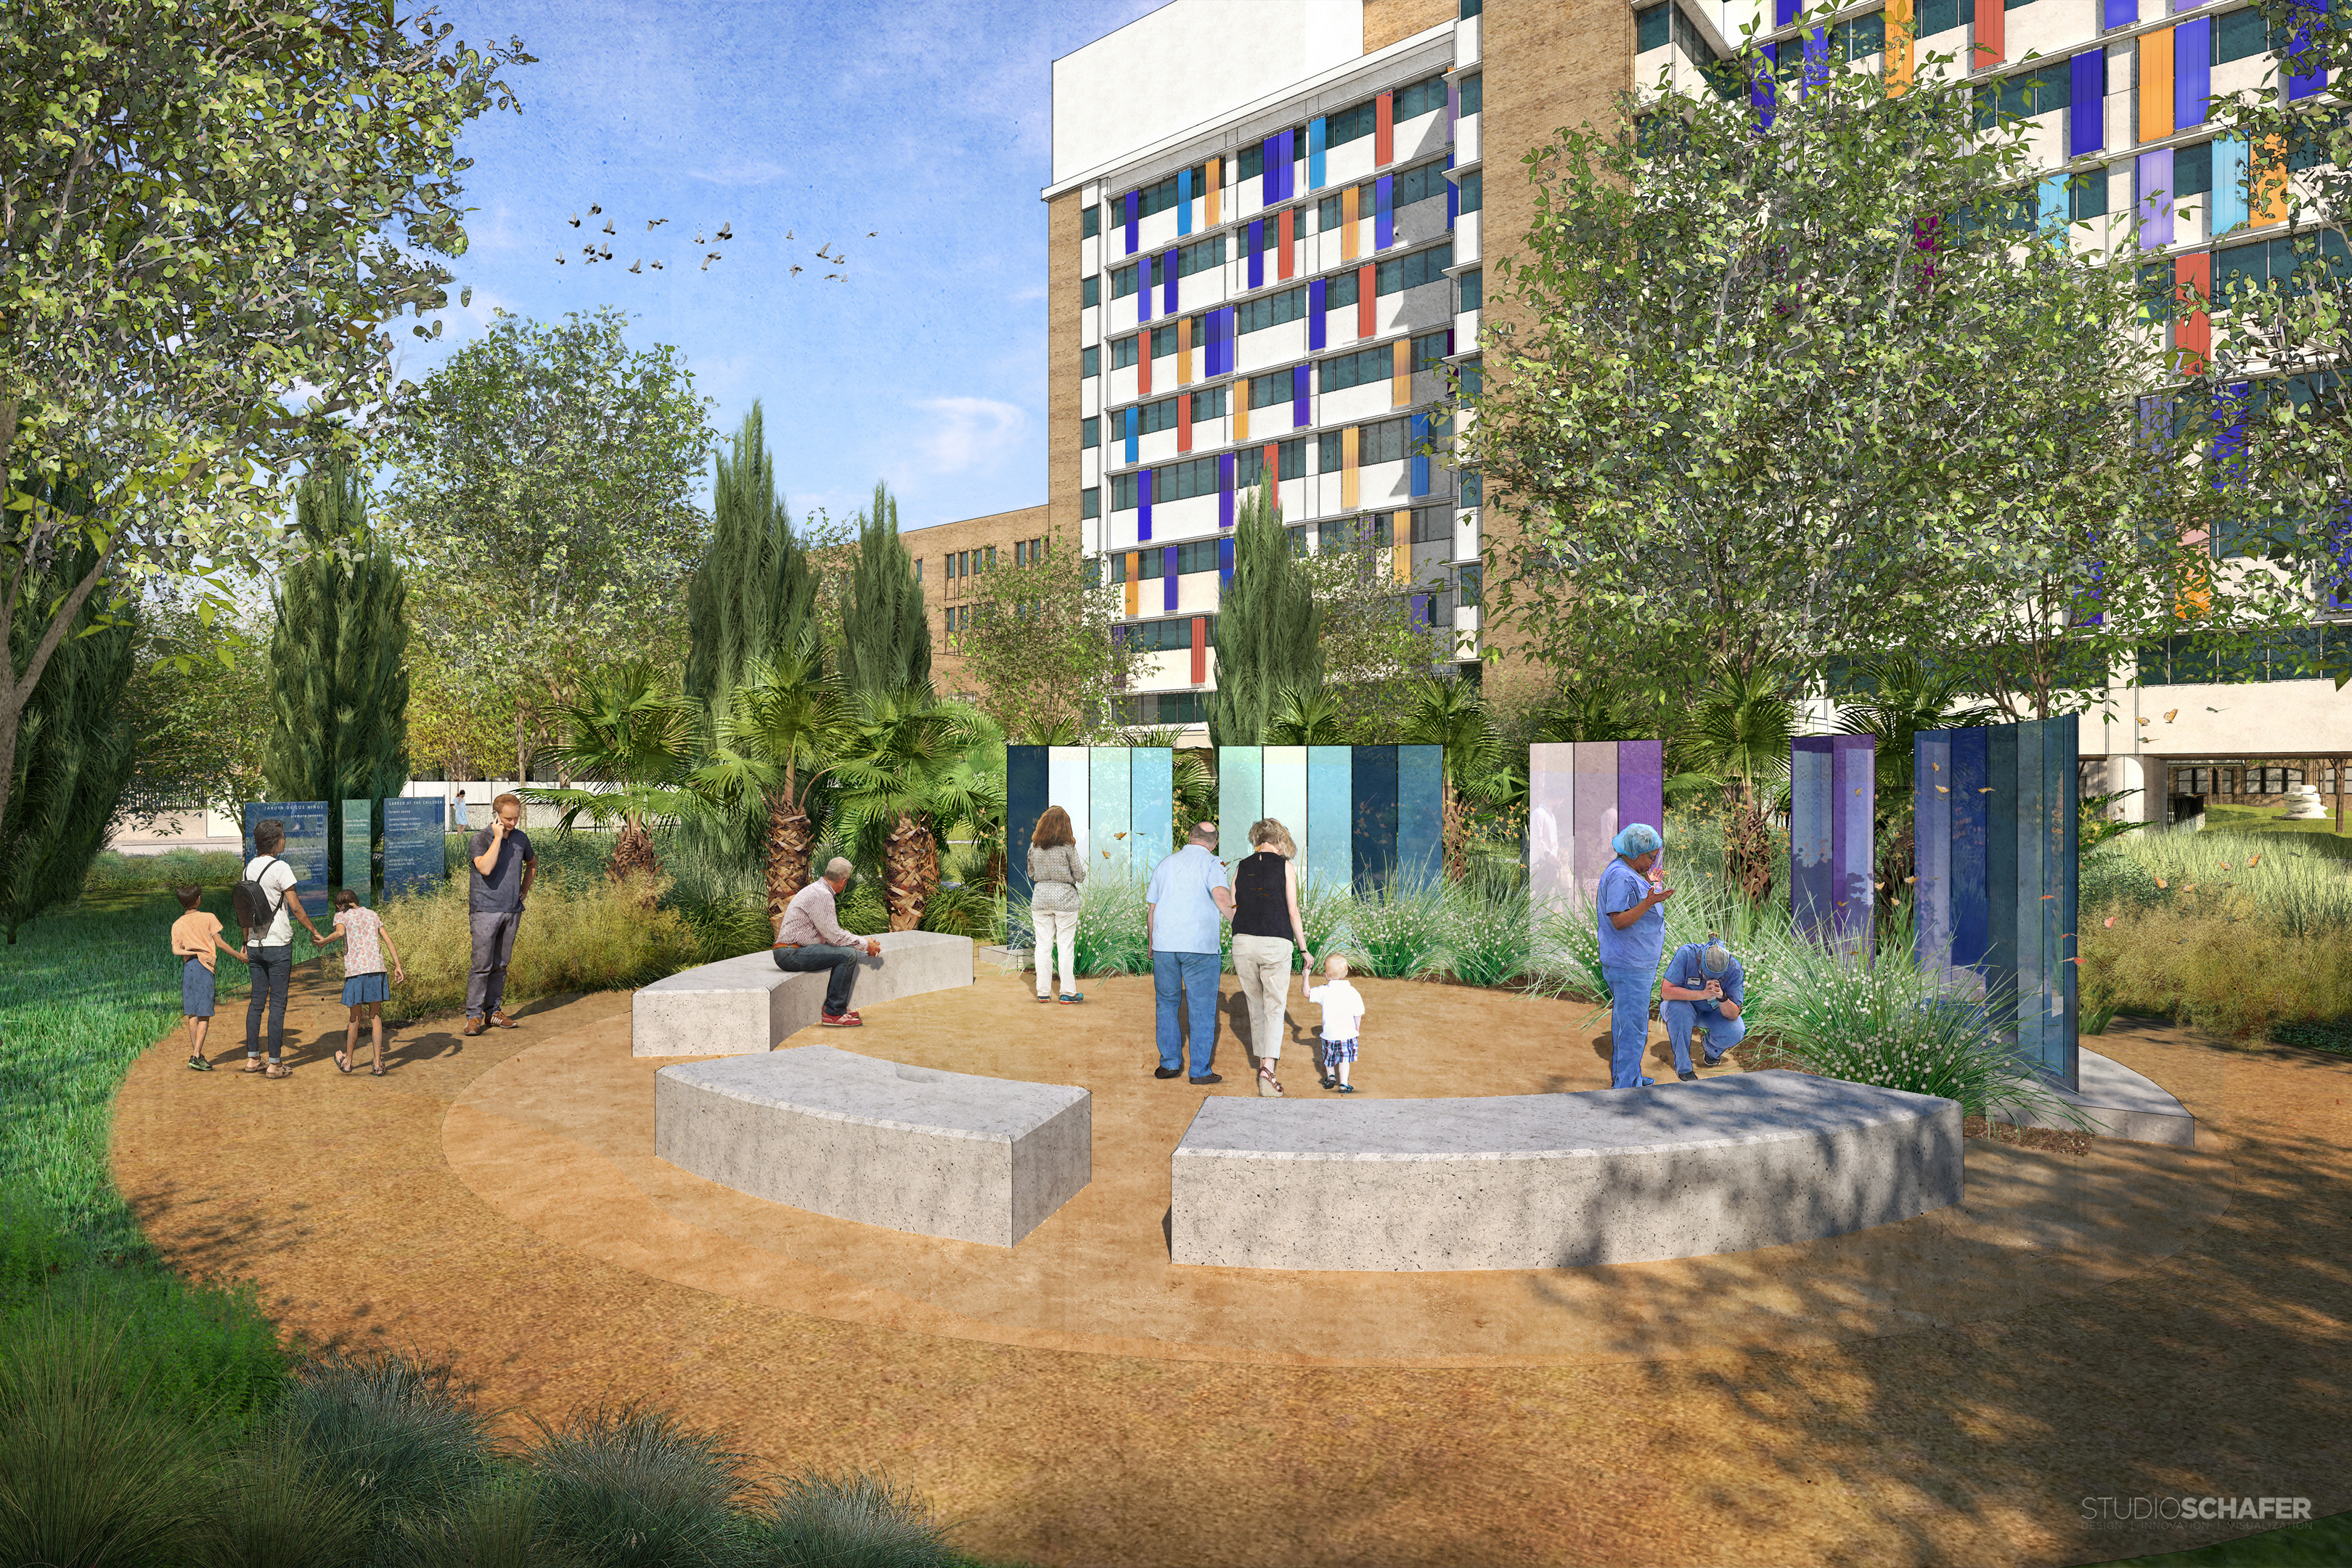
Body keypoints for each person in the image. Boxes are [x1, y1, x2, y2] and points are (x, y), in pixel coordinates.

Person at [1145, 821, 1235, 1085]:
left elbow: (1152, 909)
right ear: (1214, 842)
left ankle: (1170, 1064)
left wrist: (1151, 943)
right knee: (1202, 1007)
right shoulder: (1214, 863)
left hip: (1165, 946)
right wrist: (1238, 920)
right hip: (1201, 948)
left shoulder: (1166, 863)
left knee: (1167, 1003)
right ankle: (1200, 1071)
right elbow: (1220, 894)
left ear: (1190, 837)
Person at [1229, 817, 1310, 1097]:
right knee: (1274, 1006)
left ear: (1257, 840)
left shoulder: (1241, 867)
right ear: (1279, 840)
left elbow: (1234, 906)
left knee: (1256, 1004)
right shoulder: (1286, 867)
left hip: (1243, 942)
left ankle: (1262, 1061)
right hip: (1276, 941)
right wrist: (1303, 949)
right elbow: (1293, 912)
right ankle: (1267, 1069)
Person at [240, 818, 324, 1077]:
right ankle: (275, 1064)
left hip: (254, 943)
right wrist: (314, 931)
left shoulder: (248, 869)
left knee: (256, 1002)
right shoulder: (281, 868)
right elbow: (296, 906)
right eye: (283, 836)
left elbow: (243, 910)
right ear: (274, 842)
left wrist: (244, 942)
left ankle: (253, 1059)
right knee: (277, 1004)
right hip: (278, 944)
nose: (285, 840)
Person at [1596, 822, 1672, 1090]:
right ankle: (1626, 1085)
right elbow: (1619, 920)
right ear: (1634, 851)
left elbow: (1634, 900)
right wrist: (1649, 902)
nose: (1653, 861)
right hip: (1629, 965)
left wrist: (1648, 885)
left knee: (1633, 1024)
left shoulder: (1628, 872)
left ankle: (1632, 1077)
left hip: (1636, 963)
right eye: (1650, 856)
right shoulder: (1620, 876)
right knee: (1632, 1028)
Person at [773, 857, 883, 1026]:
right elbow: (835, 936)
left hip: (792, 951)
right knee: (848, 955)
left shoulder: (816, 890)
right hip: (791, 953)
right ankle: (833, 1012)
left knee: (845, 952)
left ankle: (836, 1008)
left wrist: (864, 942)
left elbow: (831, 935)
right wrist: (866, 944)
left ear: (827, 873)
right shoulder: (822, 895)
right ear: (844, 881)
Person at [464, 793, 535, 1038]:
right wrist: (497, 837)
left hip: (512, 911)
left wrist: (524, 889)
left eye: (516, 818)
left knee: (501, 965)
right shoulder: (480, 839)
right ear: (496, 815)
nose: (513, 823)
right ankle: (473, 1016)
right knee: (481, 966)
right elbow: (485, 867)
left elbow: (532, 864)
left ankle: (493, 1012)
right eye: (507, 818)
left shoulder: (521, 839)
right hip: (484, 911)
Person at [317, 889, 406, 1076]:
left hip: (356, 972)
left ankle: (348, 1062)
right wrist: (397, 965)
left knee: (355, 1018)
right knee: (376, 1017)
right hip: (376, 970)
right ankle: (377, 1064)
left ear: (339, 905)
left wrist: (324, 941)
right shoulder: (372, 914)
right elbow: (388, 940)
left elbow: (340, 933)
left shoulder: (342, 916)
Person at [170, 884, 245, 1071]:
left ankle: (198, 1054)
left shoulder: (177, 924)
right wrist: (240, 956)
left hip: (189, 968)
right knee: (204, 1014)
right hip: (204, 967)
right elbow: (219, 944)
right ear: (199, 899)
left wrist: (190, 950)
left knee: (192, 1013)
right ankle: (196, 1056)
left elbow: (175, 950)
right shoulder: (209, 917)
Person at [1660, 934, 1747, 1083]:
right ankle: (1684, 1068)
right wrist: (1702, 994)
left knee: (1736, 1029)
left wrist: (1722, 997)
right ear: (1700, 959)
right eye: (1707, 975)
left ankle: (1711, 1049)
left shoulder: (1735, 969)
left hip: (1712, 1012)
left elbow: (1734, 1014)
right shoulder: (1687, 954)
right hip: (1682, 1007)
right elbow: (1666, 992)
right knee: (1679, 1010)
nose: (1711, 980)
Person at [1026, 805, 1087, 1005]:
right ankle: (1068, 992)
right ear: (1065, 826)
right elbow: (1079, 875)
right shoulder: (1068, 848)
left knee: (1042, 946)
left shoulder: (1034, 846)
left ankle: (1043, 992)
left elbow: (1032, 873)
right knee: (1065, 947)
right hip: (1066, 901)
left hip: (1041, 899)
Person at [1305, 953, 1367, 1093]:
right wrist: (1357, 1028)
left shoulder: (1324, 991)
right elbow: (1358, 1013)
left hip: (1328, 1034)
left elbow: (1307, 993)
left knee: (1329, 1057)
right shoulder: (1352, 992)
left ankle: (1331, 1077)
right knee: (1344, 1059)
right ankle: (1343, 1083)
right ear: (1345, 973)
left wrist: (1305, 976)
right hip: (1347, 1033)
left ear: (1327, 975)